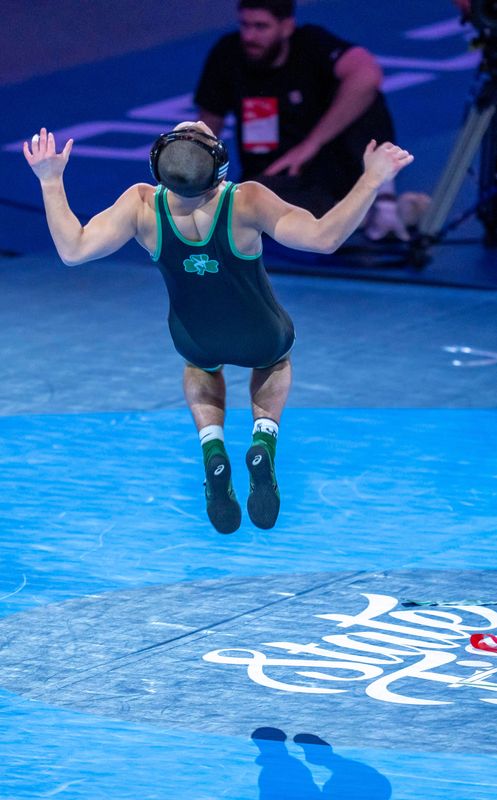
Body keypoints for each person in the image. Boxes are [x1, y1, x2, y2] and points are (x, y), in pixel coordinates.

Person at [23, 121, 413, 534]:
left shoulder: (140, 204)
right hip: (260, 333)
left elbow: (73, 249)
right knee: (275, 363)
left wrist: (50, 180)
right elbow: (324, 237)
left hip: (195, 336)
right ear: (219, 166)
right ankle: (263, 440)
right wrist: (372, 179)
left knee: (200, 369)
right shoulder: (247, 200)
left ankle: (212, 444)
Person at [195, 0, 413, 240]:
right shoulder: (228, 53)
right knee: (243, 210)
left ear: (287, 27)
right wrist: (195, 182)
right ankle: (378, 211)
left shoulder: (311, 44)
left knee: (364, 96)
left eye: (261, 27)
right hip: (274, 176)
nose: (249, 36)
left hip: (328, 163)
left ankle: (384, 203)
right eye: (244, 25)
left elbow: (367, 72)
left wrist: (311, 144)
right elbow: (209, 123)